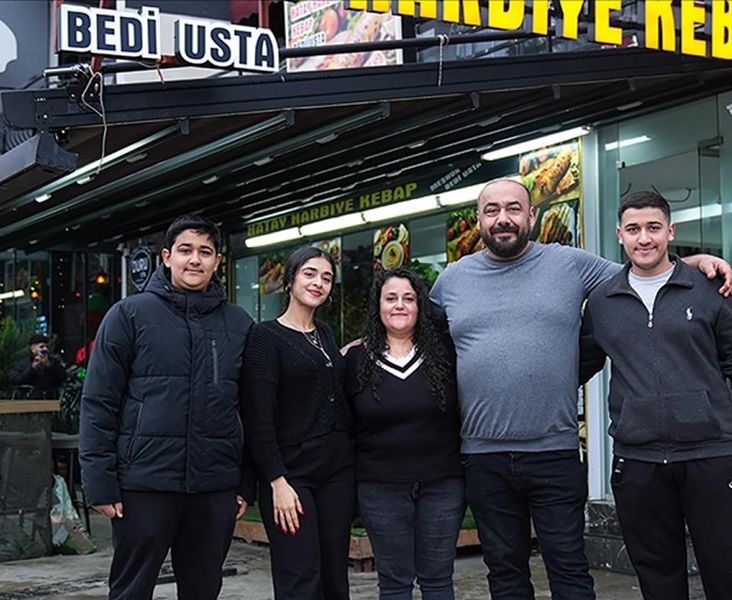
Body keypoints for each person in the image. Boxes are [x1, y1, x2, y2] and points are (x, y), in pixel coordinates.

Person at [428, 178, 732, 600]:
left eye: (514, 208)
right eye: (492, 210)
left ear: (531, 215)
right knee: (503, 571)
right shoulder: (452, 280)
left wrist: (695, 261)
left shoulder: (570, 264)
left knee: (569, 570)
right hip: (482, 456)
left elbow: (644, 270)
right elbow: (413, 334)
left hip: (554, 453)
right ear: (479, 219)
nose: (503, 219)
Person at [579, 190, 732, 600]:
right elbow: (580, 364)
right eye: (633, 229)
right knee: (658, 579)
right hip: (638, 461)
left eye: (653, 227)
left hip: (709, 456)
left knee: (729, 572)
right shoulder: (602, 301)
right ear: (619, 235)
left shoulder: (707, 288)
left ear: (671, 231)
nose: (644, 238)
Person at [79, 215, 253, 600]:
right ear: (166, 257)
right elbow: (99, 402)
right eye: (185, 250)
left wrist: (245, 482)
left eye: (205, 252)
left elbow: (250, 408)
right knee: (131, 590)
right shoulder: (129, 315)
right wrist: (100, 482)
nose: (195, 260)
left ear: (217, 261)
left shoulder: (238, 323)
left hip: (213, 486)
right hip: (144, 483)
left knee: (203, 589)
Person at [240, 246, 354, 600]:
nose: (318, 283)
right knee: (300, 576)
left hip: (337, 471)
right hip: (291, 474)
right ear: (290, 280)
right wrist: (276, 481)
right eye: (310, 274)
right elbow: (258, 417)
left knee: (335, 575)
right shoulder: (265, 337)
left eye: (327, 278)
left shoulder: (325, 334)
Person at [346, 267, 463, 600]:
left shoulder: (447, 354)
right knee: (395, 583)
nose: (400, 305)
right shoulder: (355, 360)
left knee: (438, 580)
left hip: (443, 485)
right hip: (380, 488)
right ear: (378, 306)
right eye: (391, 298)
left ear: (420, 306)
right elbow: (345, 426)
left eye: (409, 298)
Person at [9, 333, 66, 399]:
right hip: (29, 400)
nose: (45, 349)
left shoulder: (54, 362)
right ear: (33, 349)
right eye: (41, 347)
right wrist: (32, 368)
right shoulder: (23, 363)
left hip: (51, 400)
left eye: (47, 347)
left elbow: (62, 378)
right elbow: (15, 380)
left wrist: (49, 365)